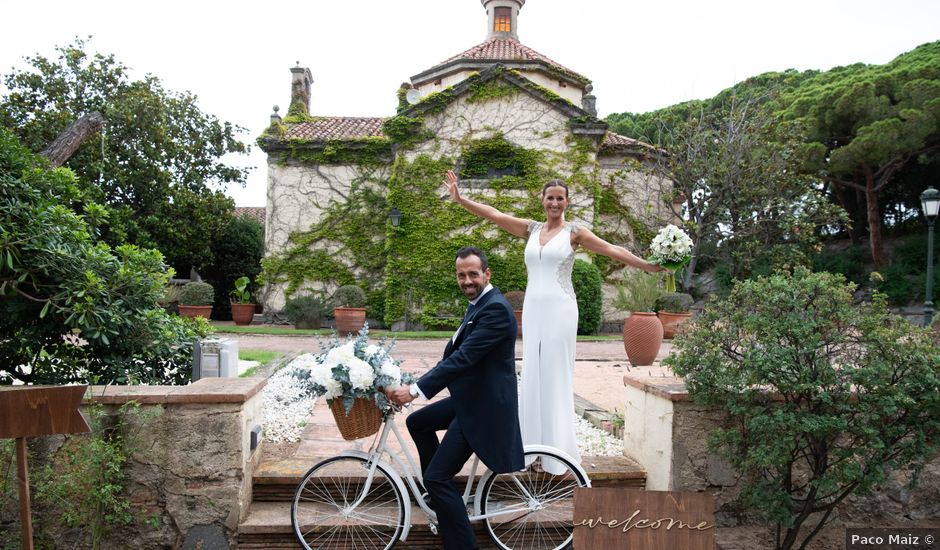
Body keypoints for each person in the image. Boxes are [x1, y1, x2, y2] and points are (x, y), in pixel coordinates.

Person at [443, 170, 663, 474]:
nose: (555, 203)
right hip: (533, 308)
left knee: (555, 374)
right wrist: (461, 199)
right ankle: (530, 450)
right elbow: (494, 214)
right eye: (550, 198)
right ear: (542, 200)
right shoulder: (530, 230)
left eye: (560, 199)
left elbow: (613, 250)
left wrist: (649, 267)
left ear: (567, 202)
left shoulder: (576, 234)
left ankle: (558, 454)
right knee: (532, 372)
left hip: (561, 310)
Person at [385, 246, 524, 550]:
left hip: (484, 409)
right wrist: (414, 382)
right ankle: (442, 500)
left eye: (473, 274)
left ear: (487, 274)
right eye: (461, 275)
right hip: (471, 400)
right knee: (419, 422)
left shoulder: (495, 308)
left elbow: (463, 358)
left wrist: (415, 390)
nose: (466, 280)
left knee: (437, 477)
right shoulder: (479, 303)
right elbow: (456, 357)